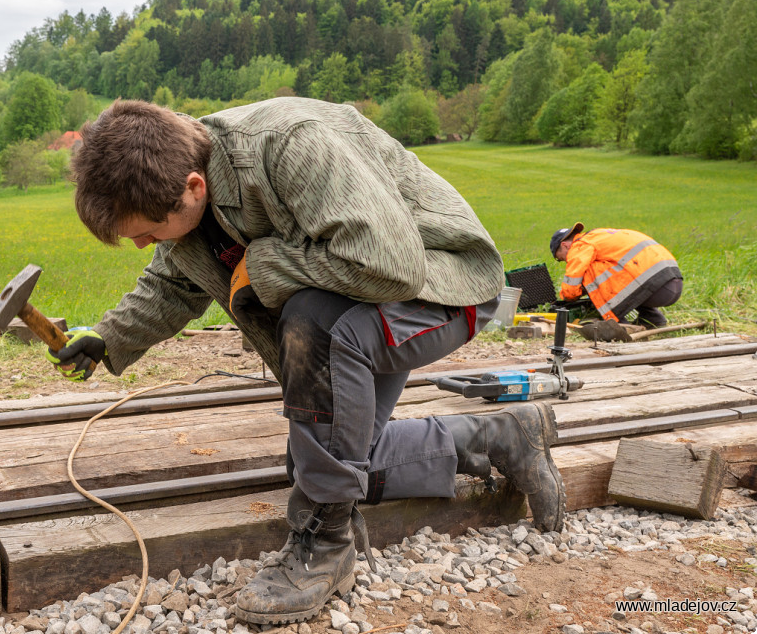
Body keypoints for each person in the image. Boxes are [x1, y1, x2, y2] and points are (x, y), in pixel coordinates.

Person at [50, 98, 566, 625]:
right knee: (322, 461)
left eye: (145, 231)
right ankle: (503, 435)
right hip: (360, 303)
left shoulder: (290, 145)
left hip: (440, 283)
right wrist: (106, 339)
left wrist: (264, 264)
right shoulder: (181, 184)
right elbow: (171, 283)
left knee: (312, 322)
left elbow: (391, 266)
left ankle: (326, 544)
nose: (140, 244)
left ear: (193, 187)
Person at [550, 223, 683, 328]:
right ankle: (652, 318)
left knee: (589, 272)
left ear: (565, 245)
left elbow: (572, 284)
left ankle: (619, 322)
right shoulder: (599, 235)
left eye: (561, 259)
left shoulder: (580, 245)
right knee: (622, 272)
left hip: (656, 288)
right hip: (671, 280)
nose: (565, 261)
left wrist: (566, 298)